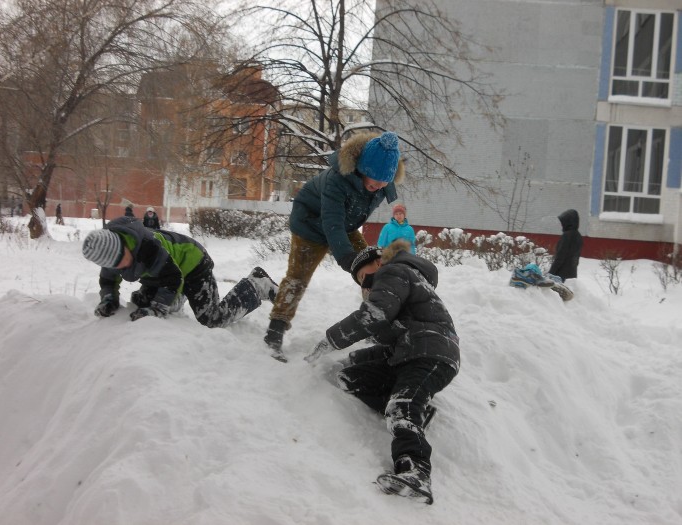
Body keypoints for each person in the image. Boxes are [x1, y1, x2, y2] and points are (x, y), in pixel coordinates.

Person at [304, 240, 460, 504]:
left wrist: (328, 342)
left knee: (403, 405)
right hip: (410, 353)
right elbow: (392, 343)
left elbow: (373, 315)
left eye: (364, 277)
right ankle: (419, 414)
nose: (364, 286)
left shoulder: (393, 271)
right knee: (351, 377)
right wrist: (353, 358)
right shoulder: (404, 288)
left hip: (430, 354)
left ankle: (416, 470)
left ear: (377, 262)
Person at [264, 131, 405, 361]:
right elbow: (332, 222)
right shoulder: (337, 180)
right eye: (374, 178)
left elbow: (347, 219)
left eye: (384, 180)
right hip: (310, 223)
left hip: (344, 225)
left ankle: (376, 325)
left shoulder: (382, 184)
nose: (379, 185)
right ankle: (274, 332)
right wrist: (347, 258)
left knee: (373, 269)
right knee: (298, 276)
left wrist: (358, 260)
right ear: (361, 169)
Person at [82, 216, 279, 328]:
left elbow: (173, 278)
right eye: (116, 265)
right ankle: (177, 298)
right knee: (142, 303)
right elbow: (108, 281)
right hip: (164, 273)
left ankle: (256, 284)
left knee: (211, 318)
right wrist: (109, 299)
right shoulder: (111, 258)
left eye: (121, 257)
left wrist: (159, 307)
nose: (122, 264)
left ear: (124, 244)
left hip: (193, 265)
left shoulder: (148, 248)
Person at [548, 209, 583, 282]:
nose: (561, 224)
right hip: (572, 274)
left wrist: (551, 273)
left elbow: (560, 256)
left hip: (561, 275)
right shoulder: (578, 236)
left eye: (563, 222)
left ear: (568, 222)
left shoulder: (567, 236)